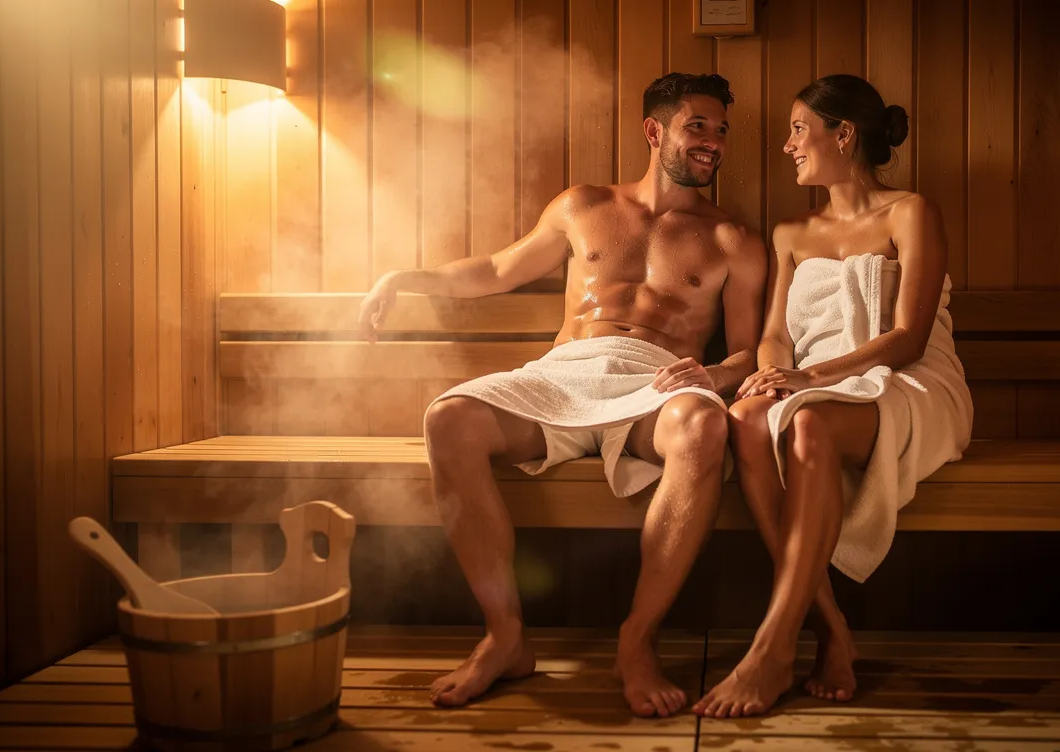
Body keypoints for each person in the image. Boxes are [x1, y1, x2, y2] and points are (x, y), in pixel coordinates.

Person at [358, 73, 767, 718]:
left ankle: (637, 639)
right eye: (698, 126)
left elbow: (749, 351)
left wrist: (715, 375)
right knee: (450, 418)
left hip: (653, 379)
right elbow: (497, 270)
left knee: (702, 430)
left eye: (720, 130)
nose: (713, 142)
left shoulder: (733, 240)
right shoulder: (582, 206)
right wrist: (404, 278)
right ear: (654, 130)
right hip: (563, 371)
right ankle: (505, 636)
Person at [693, 74, 974, 718]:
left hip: (911, 382)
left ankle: (773, 644)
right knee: (745, 416)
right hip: (818, 385)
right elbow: (773, 337)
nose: (788, 145)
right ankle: (831, 628)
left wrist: (811, 381)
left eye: (799, 129)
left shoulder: (909, 211)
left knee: (808, 425)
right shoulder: (791, 233)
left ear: (842, 133)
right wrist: (773, 374)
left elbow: (907, 339)